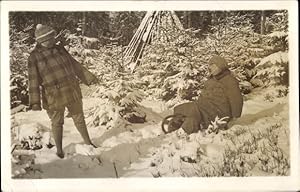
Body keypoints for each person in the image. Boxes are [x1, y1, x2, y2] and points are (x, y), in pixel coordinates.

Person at [28, 24, 98, 158]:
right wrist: (35, 102)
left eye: (53, 37)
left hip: (71, 90)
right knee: (57, 122)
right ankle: (59, 150)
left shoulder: (60, 49)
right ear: (42, 41)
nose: (53, 40)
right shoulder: (34, 57)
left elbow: (74, 64)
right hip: (53, 95)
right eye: (49, 38)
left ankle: (88, 142)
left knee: (79, 118)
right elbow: (33, 81)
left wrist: (89, 78)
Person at [164, 55, 243, 134]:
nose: (211, 68)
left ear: (221, 66)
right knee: (181, 108)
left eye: (214, 66)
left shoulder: (229, 81)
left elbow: (236, 99)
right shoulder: (211, 80)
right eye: (210, 66)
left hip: (219, 112)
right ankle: (177, 125)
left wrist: (235, 116)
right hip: (205, 107)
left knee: (193, 110)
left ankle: (185, 131)